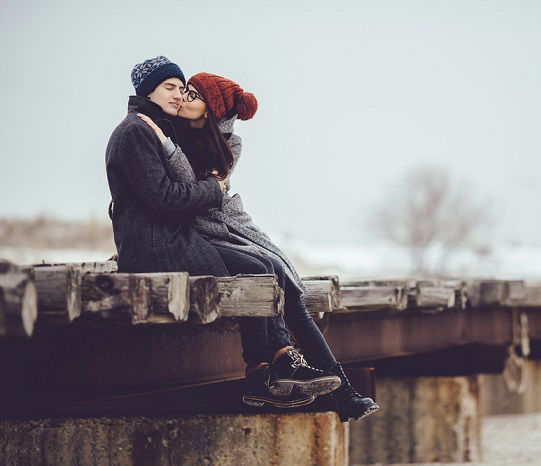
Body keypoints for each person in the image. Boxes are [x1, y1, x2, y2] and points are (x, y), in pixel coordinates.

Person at [138, 72, 380, 422]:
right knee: (266, 272)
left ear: (211, 109)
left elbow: (207, 190)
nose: (184, 98)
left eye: (193, 94)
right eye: (184, 91)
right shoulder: (168, 128)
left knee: (285, 280)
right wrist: (168, 144)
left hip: (226, 222)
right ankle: (277, 364)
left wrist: (186, 164)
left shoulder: (228, 143)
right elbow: (190, 190)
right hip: (200, 231)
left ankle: (341, 391)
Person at [105, 56, 229, 278]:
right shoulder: (136, 131)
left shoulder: (156, 128)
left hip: (168, 241)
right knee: (259, 270)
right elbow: (165, 198)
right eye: (169, 87)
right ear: (148, 91)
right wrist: (213, 189)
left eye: (181, 89)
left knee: (266, 266)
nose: (178, 95)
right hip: (156, 249)